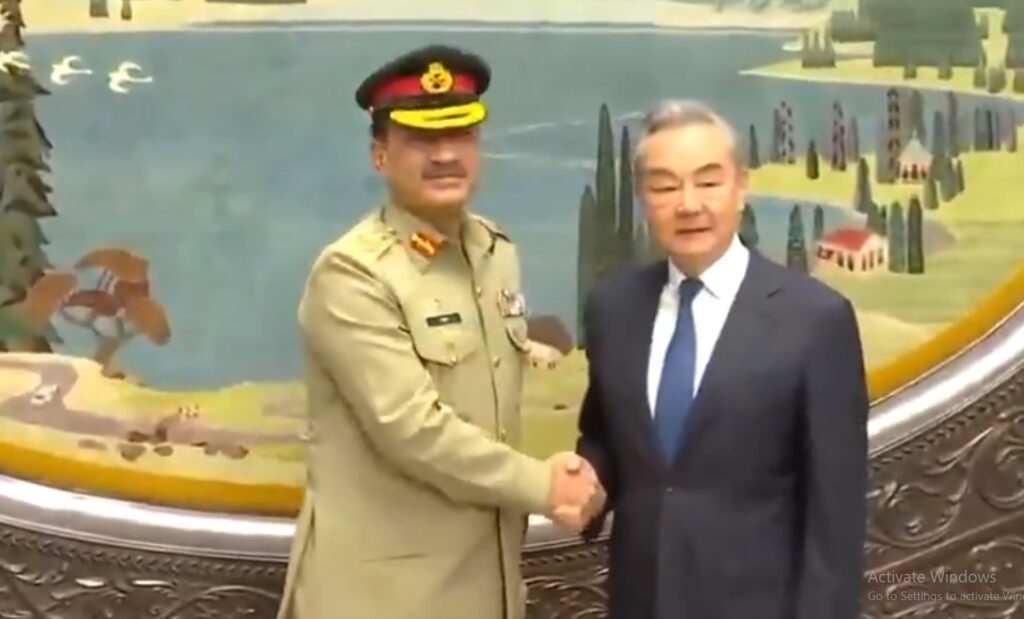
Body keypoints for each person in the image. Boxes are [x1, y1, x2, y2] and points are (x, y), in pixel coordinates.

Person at [275, 44, 602, 619]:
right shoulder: (353, 274)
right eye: (422, 139)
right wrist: (545, 486)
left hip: (485, 585)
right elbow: (413, 429)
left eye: (462, 135)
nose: (446, 155)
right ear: (380, 155)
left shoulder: (495, 252)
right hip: (384, 599)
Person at [574, 99, 869, 619]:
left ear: (741, 186)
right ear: (643, 197)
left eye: (708, 182)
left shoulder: (815, 320)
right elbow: (606, 439)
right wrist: (585, 482)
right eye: (665, 187)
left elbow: (836, 517)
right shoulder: (613, 309)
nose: (689, 205)